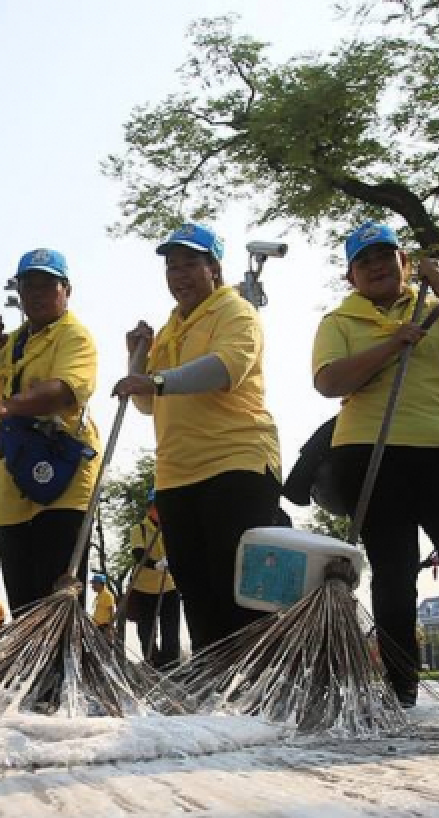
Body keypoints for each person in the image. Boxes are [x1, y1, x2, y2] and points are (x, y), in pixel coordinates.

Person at [311, 221, 439, 704]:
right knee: (395, 567)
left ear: (404, 263)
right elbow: (329, 382)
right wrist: (392, 345)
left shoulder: (435, 308)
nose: (376, 267)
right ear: (350, 276)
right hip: (370, 449)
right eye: (364, 262)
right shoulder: (339, 321)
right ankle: (400, 678)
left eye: (385, 257)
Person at [111, 223, 281, 651]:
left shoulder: (236, 312)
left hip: (236, 463)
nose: (179, 275)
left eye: (190, 264)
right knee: (196, 591)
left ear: (214, 269)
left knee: (238, 588)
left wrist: (155, 380)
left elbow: (224, 369)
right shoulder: (170, 327)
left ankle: (256, 678)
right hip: (176, 474)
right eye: (172, 267)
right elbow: (148, 403)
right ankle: (214, 679)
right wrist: (137, 361)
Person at [0, 248, 103, 613]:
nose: (37, 294)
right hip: (12, 488)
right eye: (29, 286)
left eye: (47, 285)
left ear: (66, 290)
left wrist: (9, 406)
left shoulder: (74, 337)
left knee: (59, 605)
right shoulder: (8, 345)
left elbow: (62, 390)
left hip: (63, 483)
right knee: (24, 609)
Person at [126, 494, 182, 667]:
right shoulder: (139, 529)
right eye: (156, 506)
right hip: (144, 588)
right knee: (147, 629)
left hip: (169, 586)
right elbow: (138, 554)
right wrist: (156, 564)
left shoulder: (171, 528)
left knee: (171, 628)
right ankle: (152, 661)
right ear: (149, 508)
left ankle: (171, 664)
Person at [89, 573, 117, 640]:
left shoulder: (107, 595)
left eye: (94, 583)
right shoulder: (99, 595)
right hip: (98, 626)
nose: (92, 586)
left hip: (105, 626)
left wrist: (110, 628)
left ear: (100, 584)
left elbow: (112, 611)